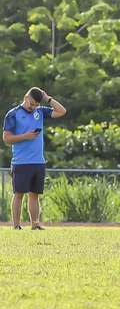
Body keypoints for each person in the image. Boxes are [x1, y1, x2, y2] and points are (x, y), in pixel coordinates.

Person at [3, 87, 66, 230]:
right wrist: (25, 136)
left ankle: (35, 224)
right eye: (31, 104)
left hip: (38, 161)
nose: (33, 108)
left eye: (36, 105)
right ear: (25, 98)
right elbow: (6, 138)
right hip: (21, 161)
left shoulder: (40, 112)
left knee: (34, 195)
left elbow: (62, 111)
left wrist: (48, 98)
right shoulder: (13, 114)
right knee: (18, 194)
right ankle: (16, 226)